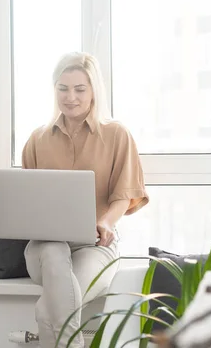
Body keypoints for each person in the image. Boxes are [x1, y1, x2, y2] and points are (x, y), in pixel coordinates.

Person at [22, 52, 149, 347]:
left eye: (80, 89)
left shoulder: (117, 134)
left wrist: (104, 221)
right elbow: (26, 198)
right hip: (44, 247)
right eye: (62, 88)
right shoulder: (37, 139)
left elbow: (125, 194)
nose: (71, 97)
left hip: (96, 246)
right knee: (53, 251)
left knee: (50, 306)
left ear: (94, 91)